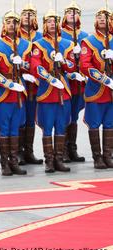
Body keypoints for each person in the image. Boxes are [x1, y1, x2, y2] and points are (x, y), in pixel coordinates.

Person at [31, 7, 84, 173]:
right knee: (47, 127)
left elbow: (72, 67)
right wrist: (50, 78)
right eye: (49, 22)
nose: (52, 24)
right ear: (44, 25)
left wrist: (64, 62)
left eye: (54, 21)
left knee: (61, 126)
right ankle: (49, 161)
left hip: (63, 91)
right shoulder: (38, 45)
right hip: (47, 91)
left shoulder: (67, 44)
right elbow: (36, 67)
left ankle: (59, 159)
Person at [0, 9, 31, 176]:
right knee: (4, 128)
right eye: (9, 22)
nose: (12, 25)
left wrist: (23, 65)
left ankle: (14, 161)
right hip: (3, 94)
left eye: (15, 22)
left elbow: (32, 66)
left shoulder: (26, 45)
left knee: (15, 128)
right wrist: (7, 83)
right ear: (4, 25)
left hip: (19, 93)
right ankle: (4, 162)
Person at [80, 6, 113, 169]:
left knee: (110, 124)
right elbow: (84, 65)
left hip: (112, 92)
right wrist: (103, 79)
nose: (102, 19)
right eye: (99, 16)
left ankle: (108, 155)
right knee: (94, 124)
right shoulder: (88, 41)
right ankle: (97, 157)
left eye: (105, 17)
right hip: (96, 90)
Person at [61, 1, 88, 163]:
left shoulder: (84, 36)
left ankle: (72, 148)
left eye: (75, 12)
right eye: (69, 12)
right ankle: (62, 149)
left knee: (74, 115)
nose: (72, 14)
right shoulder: (59, 34)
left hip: (80, 82)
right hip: (65, 82)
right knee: (65, 114)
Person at [17, 2, 44, 165]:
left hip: (36, 85)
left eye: (32, 14)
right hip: (19, 84)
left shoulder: (41, 38)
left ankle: (29, 151)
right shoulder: (15, 37)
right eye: (25, 14)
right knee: (20, 117)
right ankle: (18, 152)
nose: (28, 17)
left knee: (31, 118)